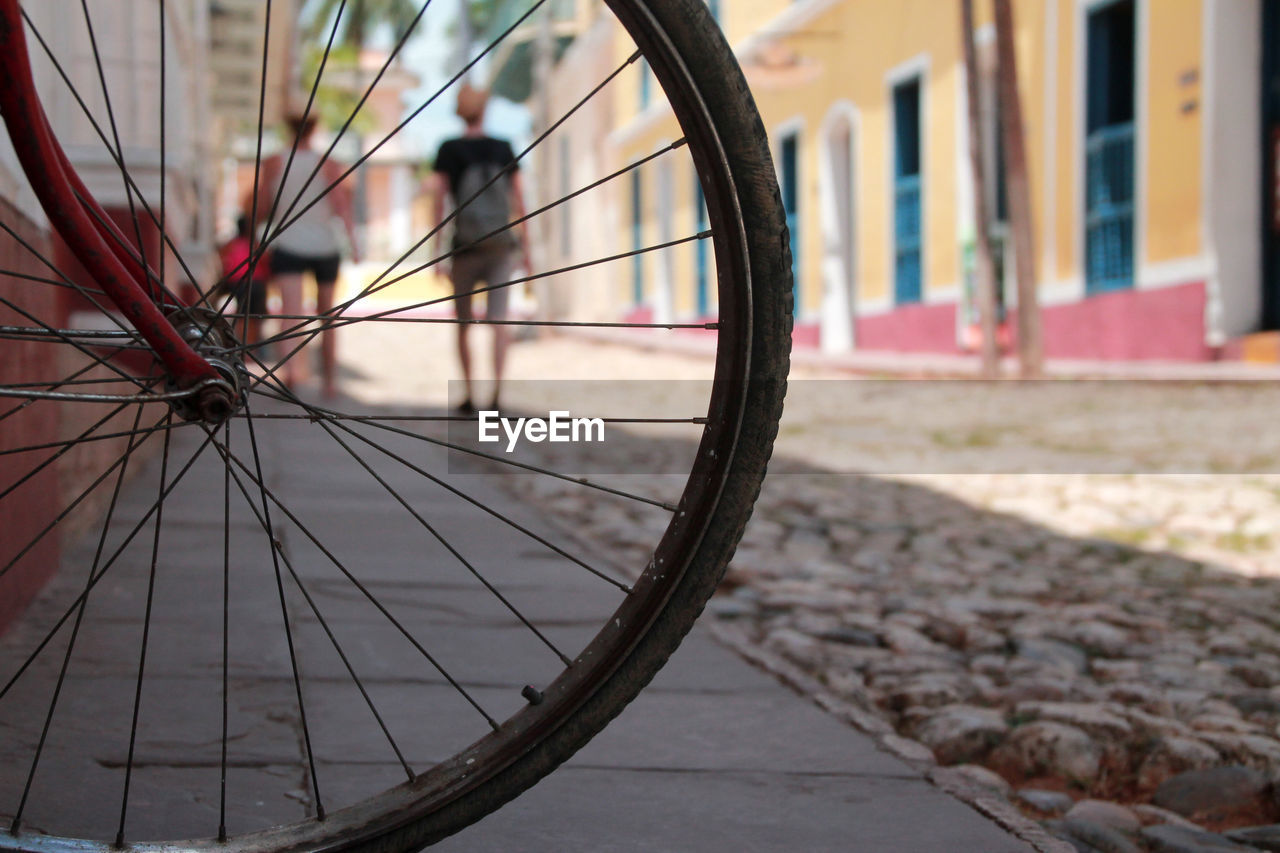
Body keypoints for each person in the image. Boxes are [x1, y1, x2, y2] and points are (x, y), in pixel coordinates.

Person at [428, 83, 532, 414]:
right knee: (499, 322)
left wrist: (436, 251)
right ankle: (497, 395)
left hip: (465, 247)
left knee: (463, 324)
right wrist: (526, 247)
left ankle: (470, 395)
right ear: (485, 110)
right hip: (501, 246)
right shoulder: (504, 147)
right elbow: (519, 201)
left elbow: (438, 201)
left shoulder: (448, 148)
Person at [253, 113, 358, 398]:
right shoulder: (328, 163)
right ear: (315, 129)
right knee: (328, 316)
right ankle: (330, 381)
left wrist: (253, 233)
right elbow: (342, 206)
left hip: (288, 243)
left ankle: (291, 375)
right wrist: (354, 243)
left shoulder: (274, 162)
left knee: (290, 312)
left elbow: (262, 204)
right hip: (325, 246)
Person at [217, 213, 270, 348]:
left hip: (239, 282)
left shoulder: (231, 244)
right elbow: (266, 261)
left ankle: (244, 345)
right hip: (256, 283)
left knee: (242, 315)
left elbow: (222, 258)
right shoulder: (256, 244)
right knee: (254, 316)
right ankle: (250, 346)